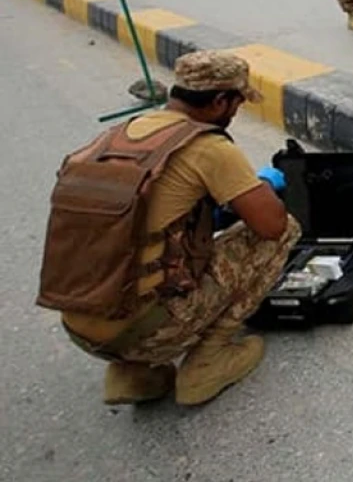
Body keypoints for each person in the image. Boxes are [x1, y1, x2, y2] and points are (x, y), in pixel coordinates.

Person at [47, 50, 300, 407]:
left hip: (81, 327)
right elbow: (271, 225)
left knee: (149, 262)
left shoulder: (119, 136)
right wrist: (262, 186)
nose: (235, 112)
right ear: (219, 101)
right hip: (146, 328)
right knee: (286, 230)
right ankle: (208, 362)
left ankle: (133, 373)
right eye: (236, 103)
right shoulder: (207, 147)